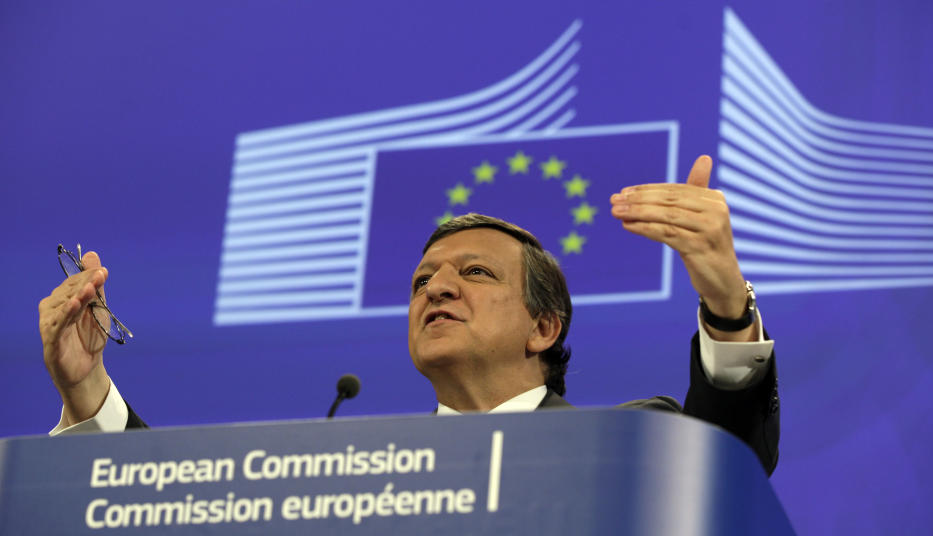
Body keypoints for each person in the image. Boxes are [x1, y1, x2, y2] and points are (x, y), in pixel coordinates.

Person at [39, 155, 778, 474]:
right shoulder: (355, 471)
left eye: (475, 273)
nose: (436, 288)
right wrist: (88, 394)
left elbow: (730, 461)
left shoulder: (630, 443)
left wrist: (724, 303)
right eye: (424, 278)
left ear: (544, 328)